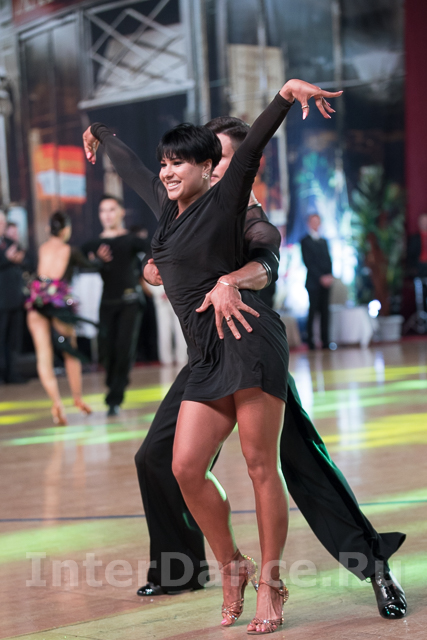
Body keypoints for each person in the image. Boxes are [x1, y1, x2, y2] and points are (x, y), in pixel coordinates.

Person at [84, 79, 343, 634]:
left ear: (209, 168)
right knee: (184, 467)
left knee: (259, 466)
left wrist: (284, 96)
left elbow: (251, 154)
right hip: (204, 357)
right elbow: (132, 168)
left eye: (181, 163)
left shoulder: (227, 204)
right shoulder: (167, 208)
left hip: (248, 344)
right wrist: (100, 132)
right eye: (166, 163)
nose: (168, 171)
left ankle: (271, 582)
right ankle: (232, 564)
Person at [134, 117, 406, 620]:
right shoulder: (183, 203)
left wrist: (232, 280)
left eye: (225, 157)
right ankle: (182, 569)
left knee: (303, 468)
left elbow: (267, 265)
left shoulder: (248, 215)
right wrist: (152, 267)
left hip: (252, 348)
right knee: (157, 456)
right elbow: (161, 248)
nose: (217, 166)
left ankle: (374, 567)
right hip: (205, 355)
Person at [26, 212, 103, 425]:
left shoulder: (42, 248)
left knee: (44, 357)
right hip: (57, 304)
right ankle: (77, 398)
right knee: (70, 351)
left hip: (37, 303)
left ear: (48, 229)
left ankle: (56, 403)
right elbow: (91, 266)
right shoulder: (70, 250)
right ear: (66, 230)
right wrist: (99, 260)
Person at [82, 195, 149, 417]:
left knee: (123, 349)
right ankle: (115, 384)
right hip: (107, 302)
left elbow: (153, 251)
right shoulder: (93, 245)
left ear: (121, 212)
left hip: (130, 301)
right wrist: (97, 261)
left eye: (112, 209)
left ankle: (115, 397)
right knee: (106, 351)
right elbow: (79, 262)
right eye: (103, 211)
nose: (107, 215)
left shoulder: (131, 240)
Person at [0, 212, 28, 384]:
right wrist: (7, 258)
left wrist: (19, 259)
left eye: (3, 222)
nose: (1, 225)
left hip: (15, 299)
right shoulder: (6, 249)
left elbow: (26, 261)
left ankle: (12, 373)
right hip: (1, 301)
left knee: (13, 340)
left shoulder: (11, 243)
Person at [301, 213, 333, 350]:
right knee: (313, 311)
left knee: (325, 312)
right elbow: (308, 262)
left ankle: (326, 341)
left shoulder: (324, 241)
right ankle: (311, 341)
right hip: (313, 283)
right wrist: (320, 277)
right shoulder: (305, 241)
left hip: (326, 283)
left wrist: (329, 276)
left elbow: (329, 260)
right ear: (309, 223)